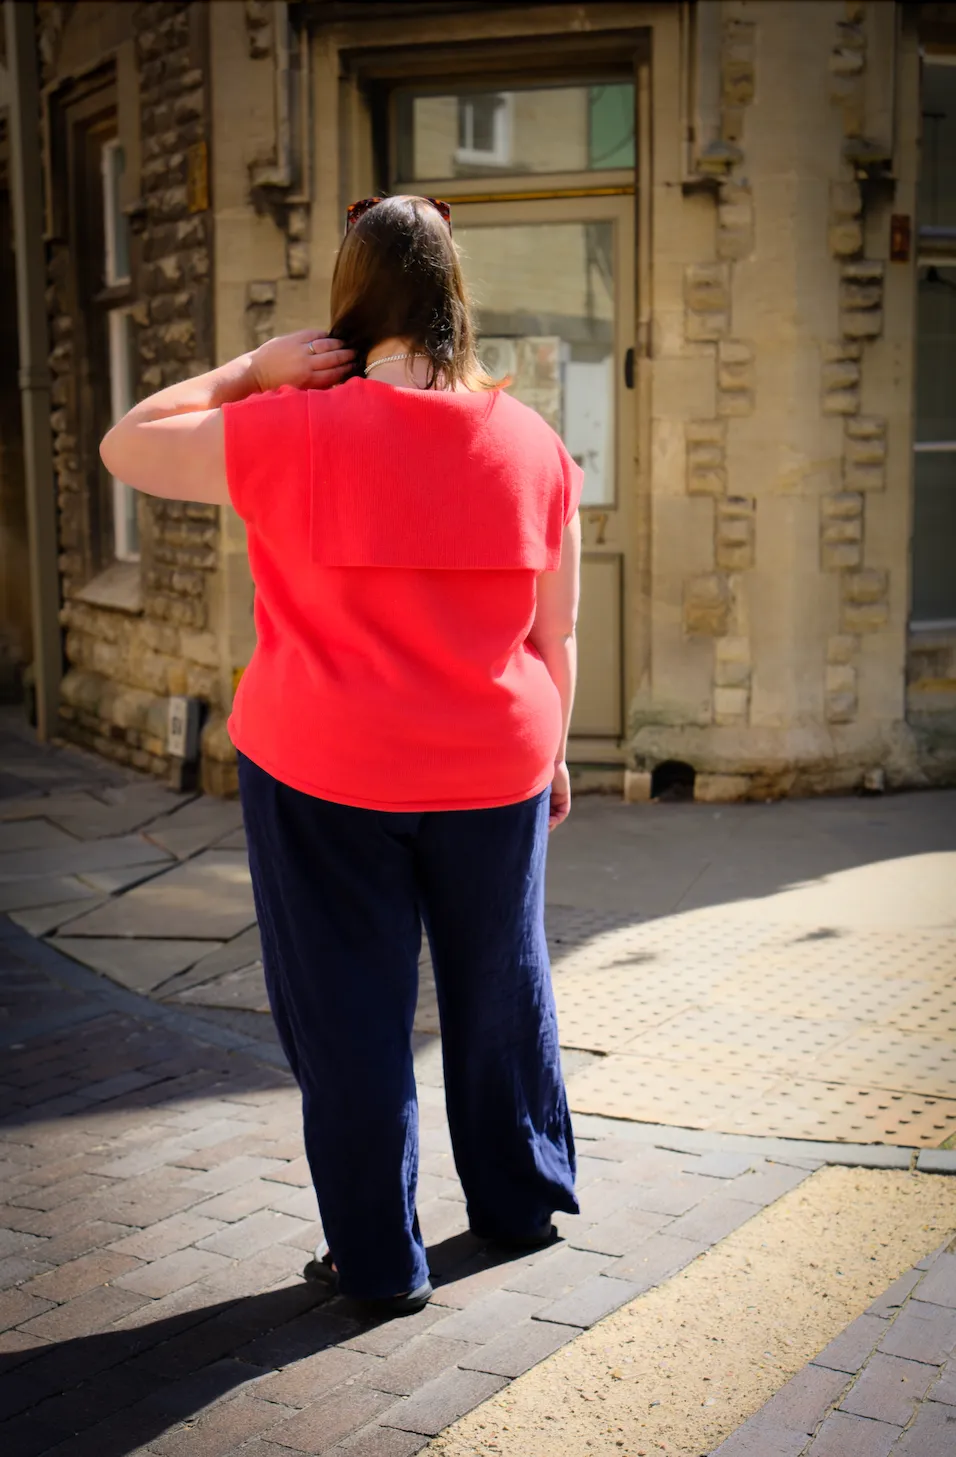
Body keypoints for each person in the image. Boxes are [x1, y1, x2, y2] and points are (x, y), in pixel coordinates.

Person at [101, 193, 582, 1316]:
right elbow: (553, 633)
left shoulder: (290, 427)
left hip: (324, 767)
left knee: (352, 1011)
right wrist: (551, 747)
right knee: (500, 984)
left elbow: (130, 443)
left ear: (353, 302)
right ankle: (518, 1201)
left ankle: (378, 1260)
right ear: (457, 297)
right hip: (492, 761)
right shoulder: (534, 443)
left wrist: (254, 367)